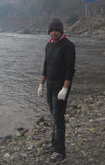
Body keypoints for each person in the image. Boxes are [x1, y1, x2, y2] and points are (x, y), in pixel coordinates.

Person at [37, 18, 76, 163]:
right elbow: (46, 65)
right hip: (50, 86)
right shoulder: (49, 45)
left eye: (56, 30)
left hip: (61, 87)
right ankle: (54, 143)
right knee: (53, 115)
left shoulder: (68, 46)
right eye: (51, 31)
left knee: (58, 118)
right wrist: (41, 84)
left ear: (61, 31)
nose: (53, 33)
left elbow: (70, 69)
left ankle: (61, 152)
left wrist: (65, 88)